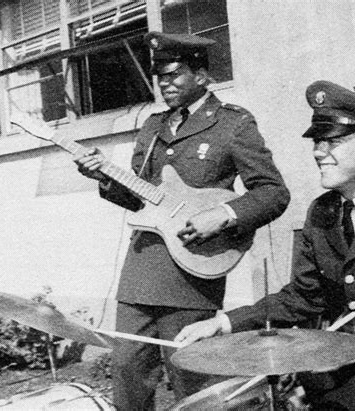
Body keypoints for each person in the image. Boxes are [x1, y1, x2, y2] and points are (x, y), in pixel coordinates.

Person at [175, 80, 355, 410]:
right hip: (335, 378)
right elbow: (304, 296)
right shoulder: (323, 211)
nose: (319, 152)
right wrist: (224, 323)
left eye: (333, 141)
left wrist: (350, 348)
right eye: (318, 141)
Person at [73, 31, 290, 410]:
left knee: (191, 377)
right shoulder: (153, 127)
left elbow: (273, 193)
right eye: (159, 77)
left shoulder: (232, 124)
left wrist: (223, 215)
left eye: (174, 75)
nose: (165, 84)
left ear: (202, 76)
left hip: (193, 270)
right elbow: (139, 198)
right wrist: (103, 177)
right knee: (126, 371)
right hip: (141, 269)